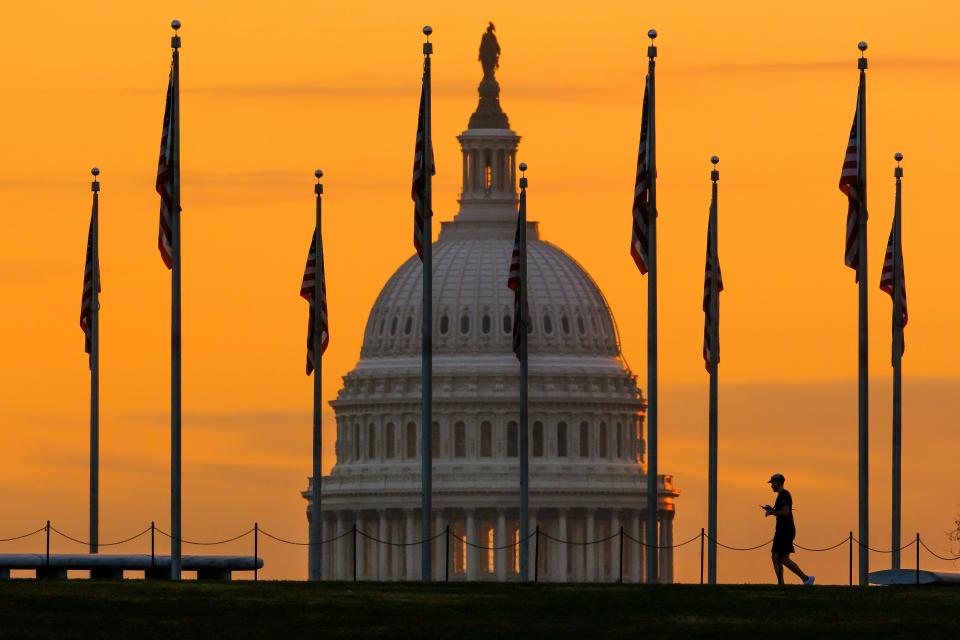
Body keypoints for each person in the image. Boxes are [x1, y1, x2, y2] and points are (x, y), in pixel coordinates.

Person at [761, 473, 814, 585]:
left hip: (785, 531)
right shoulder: (781, 495)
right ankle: (803, 579)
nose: (771, 486)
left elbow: (785, 513)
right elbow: (782, 512)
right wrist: (772, 509)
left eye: (772, 483)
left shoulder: (785, 495)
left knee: (779, 557)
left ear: (778, 483)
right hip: (782, 530)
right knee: (779, 557)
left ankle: (803, 579)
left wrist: (771, 512)